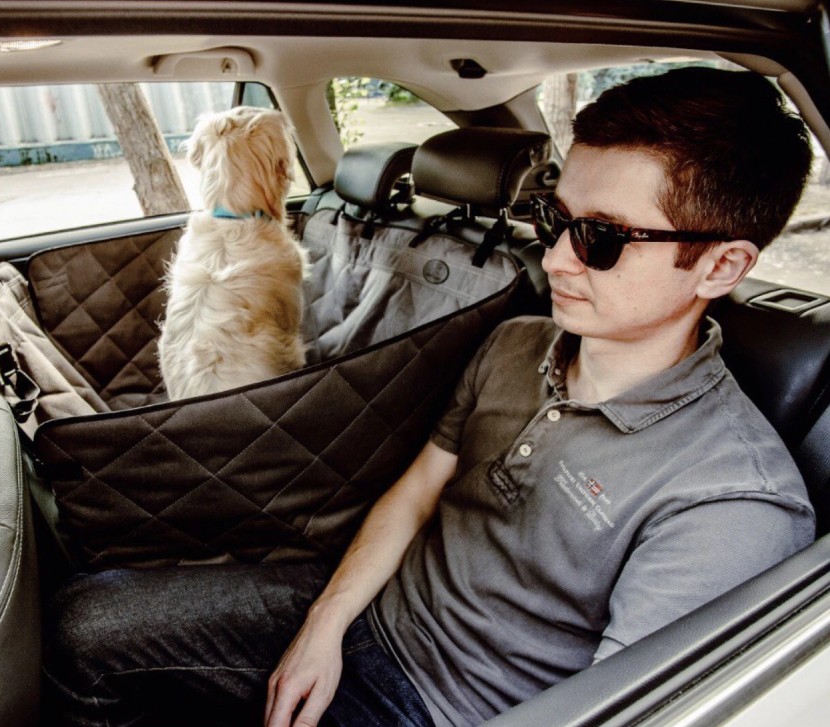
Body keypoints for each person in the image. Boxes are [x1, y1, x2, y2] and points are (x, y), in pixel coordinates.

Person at [43, 67, 816, 727]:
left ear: (720, 266)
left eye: (602, 239)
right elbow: (416, 494)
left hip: (452, 708)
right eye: (554, 219)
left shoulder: (729, 501)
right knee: (83, 622)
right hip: (369, 610)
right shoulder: (516, 343)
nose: (554, 259)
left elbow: (618, 709)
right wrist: (324, 623)